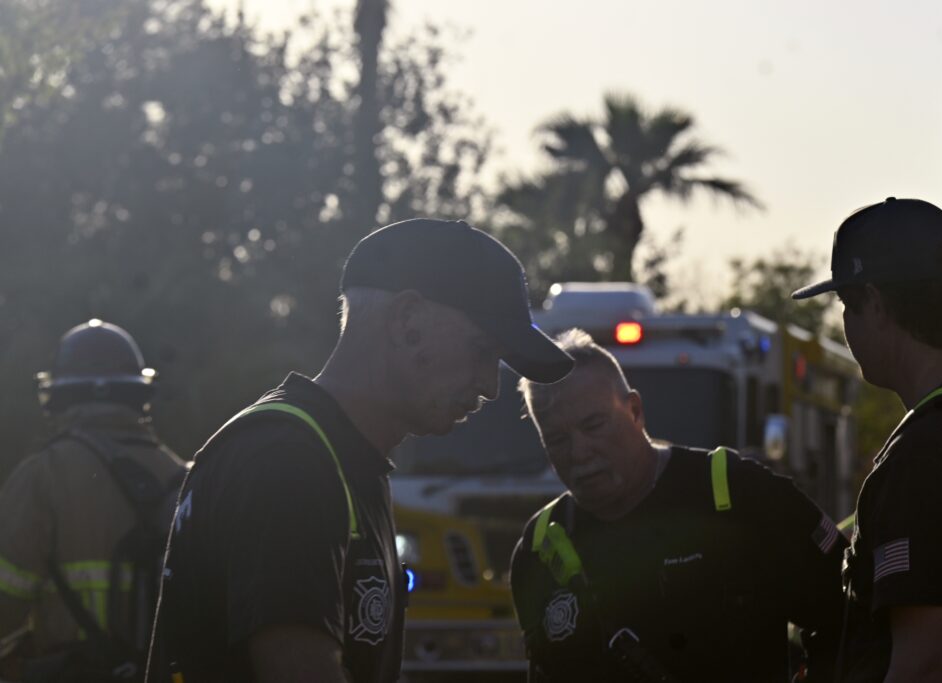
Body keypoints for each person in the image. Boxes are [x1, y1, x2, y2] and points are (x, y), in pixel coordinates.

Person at [148, 218, 573, 683]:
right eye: (482, 351)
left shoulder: (343, 461)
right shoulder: (288, 461)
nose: (491, 385)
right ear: (407, 321)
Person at [509, 329, 846, 683]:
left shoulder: (738, 495)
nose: (579, 452)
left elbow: (850, 615)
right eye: (557, 439)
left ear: (635, 411)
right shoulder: (540, 549)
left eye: (594, 425)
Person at [792, 197, 942, 682]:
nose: (846, 326)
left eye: (846, 306)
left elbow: (926, 667)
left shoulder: (927, 457)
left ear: (875, 304)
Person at [0, 319, 186, 682]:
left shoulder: (42, 476)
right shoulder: (185, 479)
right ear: (140, 395)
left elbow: (5, 602)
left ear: (57, 396)